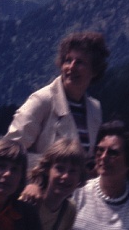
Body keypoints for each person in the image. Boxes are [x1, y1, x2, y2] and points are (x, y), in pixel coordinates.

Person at [6, 31, 109, 169]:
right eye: (68, 60)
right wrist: (53, 167)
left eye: (79, 62)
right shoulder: (42, 101)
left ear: (94, 71)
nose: (71, 67)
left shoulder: (95, 109)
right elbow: (10, 151)